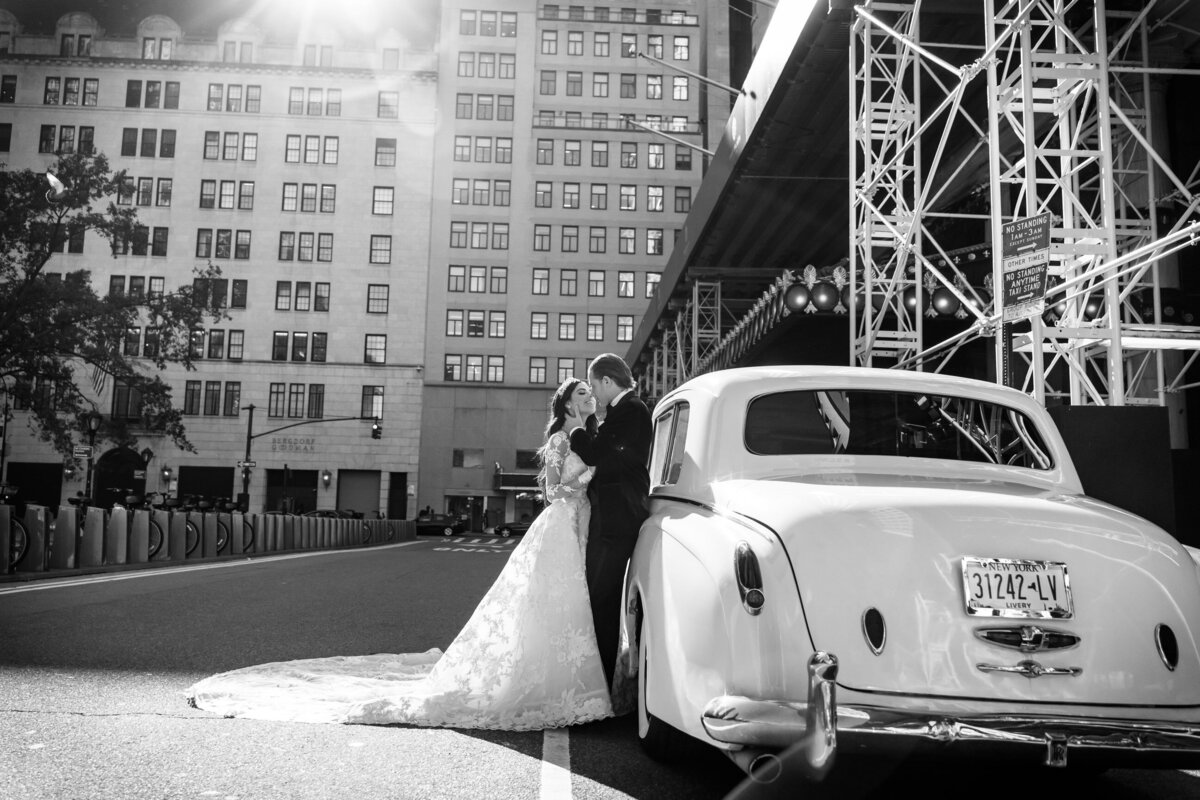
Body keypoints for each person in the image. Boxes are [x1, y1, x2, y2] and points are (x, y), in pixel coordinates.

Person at [186, 378, 612, 730]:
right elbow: (551, 491)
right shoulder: (560, 439)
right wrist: (588, 477)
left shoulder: (592, 434)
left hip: (586, 523)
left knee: (573, 602)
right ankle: (546, 681)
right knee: (553, 601)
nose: (589, 397)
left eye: (592, 393)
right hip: (561, 524)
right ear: (565, 403)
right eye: (582, 394)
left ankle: (569, 678)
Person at [566, 353, 652, 688]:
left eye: (594, 386)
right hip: (613, 515)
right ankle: (599, 678)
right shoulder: (626, 410)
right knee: (601, 597)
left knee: (602, 598)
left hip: (617, 519)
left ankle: (598, 682)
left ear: (606, 380)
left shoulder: (631, 409)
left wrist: (574, 431)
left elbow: (595, 453)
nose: (594, 396)